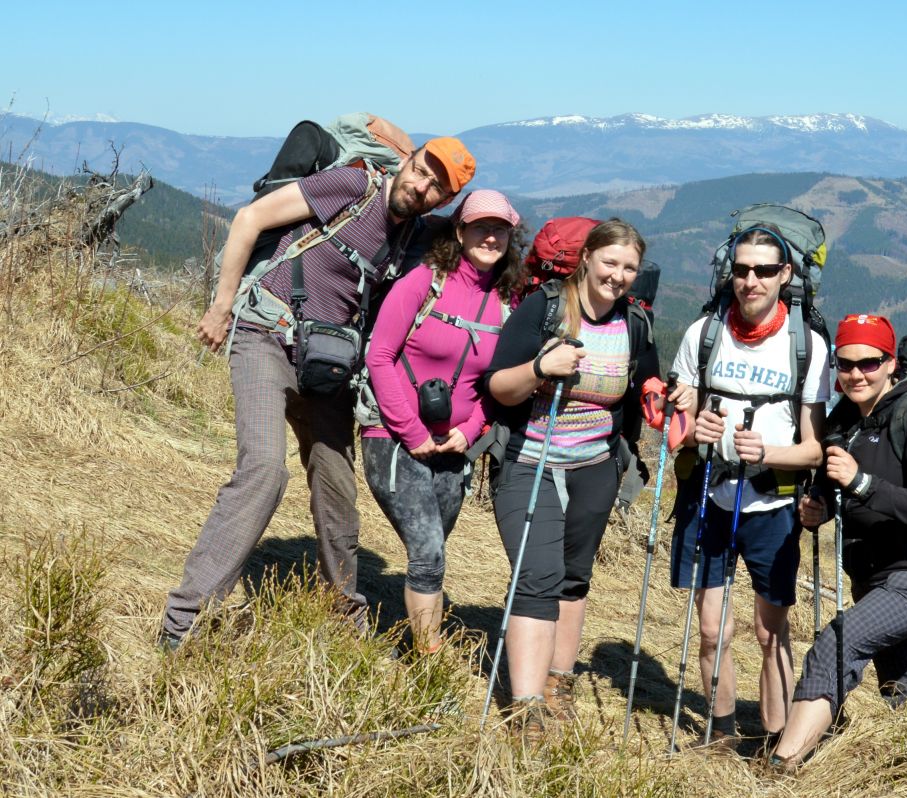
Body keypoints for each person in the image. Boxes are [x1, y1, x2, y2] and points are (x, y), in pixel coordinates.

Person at [160, 138, 476, 649]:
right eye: (420, 170)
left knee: (336, 485)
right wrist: (221, 306)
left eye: (435, 187)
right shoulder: (354, 184)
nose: (420, 186)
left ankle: (342, 614)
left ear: (442, 201)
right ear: (407, 160)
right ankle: (184, 620)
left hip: (326, 365)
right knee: (264, 471)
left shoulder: (412, 235)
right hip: (264, 332)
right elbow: (248, 220)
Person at [484, 219, 682, 739]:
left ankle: (558, 684)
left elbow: (647, 385)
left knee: (574, 578)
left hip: (597, 466)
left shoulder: (633, 324)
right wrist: (542, 368)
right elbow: (500, 387)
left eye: (629, 268)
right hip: (531, 460)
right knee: (537, 576)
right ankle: (525, 707)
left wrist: (666, 401)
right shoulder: (545, 308)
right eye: (611, 262)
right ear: (587, 258)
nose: (618, 276)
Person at [769, 313, 907, 769]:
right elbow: (832, 483)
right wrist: (819, 504)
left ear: (890, 362)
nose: (857, 373)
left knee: (837, 644)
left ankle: (781, 766)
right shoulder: (847, 416)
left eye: (870, 363)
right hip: (876, 575)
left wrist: (861, 484)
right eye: (846, 364)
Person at [668, 225, 830, 753]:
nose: (750, 280)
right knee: (713, 630)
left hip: (773, 504)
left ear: (786, 275)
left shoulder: (807, 347)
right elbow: (677, 430)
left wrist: (767, 453)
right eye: (741, 270)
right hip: (709, 495)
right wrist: (695, 432)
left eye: (764, 270)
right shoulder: (703, 335)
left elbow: (813, 449)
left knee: (770, 632)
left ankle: (775, 743)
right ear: (729, 273)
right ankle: (720, 734)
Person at [360, 190, 523, 654]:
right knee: (429, 552)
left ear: (512, 236)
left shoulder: (507, 304)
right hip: (391, 437)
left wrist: (469, 431)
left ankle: (406, 646)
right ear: (459, 231)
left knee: (429, 557)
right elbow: (380, 356)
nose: (490, 237)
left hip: (454, 447)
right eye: (480, 227)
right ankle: (431, 662)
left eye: (500, 229)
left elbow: (498, 386)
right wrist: (412, 433)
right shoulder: (423, 282)